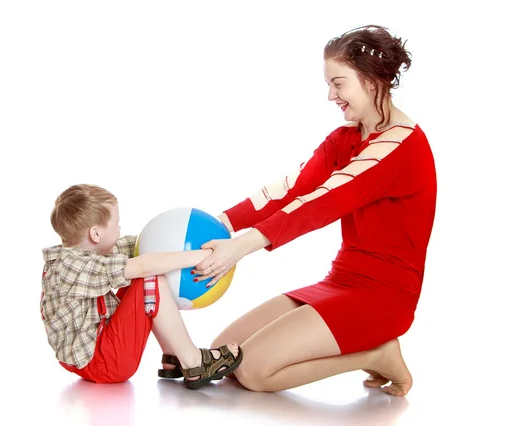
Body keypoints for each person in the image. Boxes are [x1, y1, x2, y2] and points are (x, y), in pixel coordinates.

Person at [160, 25, 436, 397]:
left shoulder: (400, 146)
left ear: (371, 82)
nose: (330, 95)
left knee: (254, 371)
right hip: (341, 281)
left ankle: (377, 353)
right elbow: (291, 190)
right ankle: (369, 350)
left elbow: (321, 202)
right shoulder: (346, 138)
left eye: (338, 84)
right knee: (223, 354)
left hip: (384, 296)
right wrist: (219, 226)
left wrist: (238, 250)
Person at [40, 184, 242, 389]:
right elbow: (144, 265)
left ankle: (173, 357)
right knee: (150, 279)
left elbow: (139, 245)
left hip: (87, 357)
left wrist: (182, 234)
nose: (119, 229)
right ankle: (195, 362)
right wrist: (206, 256)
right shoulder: (72, 267)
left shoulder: (79, 254)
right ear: (96, 234)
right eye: (116, 224)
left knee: (140, 276)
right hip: (104, 363)